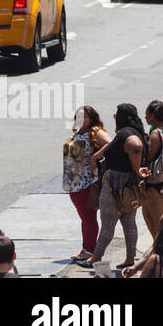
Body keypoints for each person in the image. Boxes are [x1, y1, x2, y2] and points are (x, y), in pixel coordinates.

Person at [88, 103, 150, 270]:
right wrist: (96, 156)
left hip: (115, 185)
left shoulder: (127, 134)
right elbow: (115, 144)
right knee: (129, 222)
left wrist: (136, 168)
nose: (114, 117)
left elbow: (135, 146)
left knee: (108, 223)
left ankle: (96, 257)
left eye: (116, 114)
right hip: (130, 187)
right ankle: (130, 258)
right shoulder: (132, 132)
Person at [63, 105, 110, 267]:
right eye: (78, 117)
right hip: (74, 183)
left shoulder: (95, 132)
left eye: (84, 117)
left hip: (87, 183)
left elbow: (111, 144)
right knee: (85, 218)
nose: (80, 120)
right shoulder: (79, 133)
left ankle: (89, 250)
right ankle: (86, 248)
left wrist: (94, 158)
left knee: (88, 218)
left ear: (92, 119)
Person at [140, 100, 163, 239]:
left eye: (147, 114)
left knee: (157, 221)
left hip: (155, 183)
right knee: (151, 216)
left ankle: (162, 252)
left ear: (153, 116)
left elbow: (148, 157)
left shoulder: (156, 134)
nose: (145, 116)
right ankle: (158, 248)